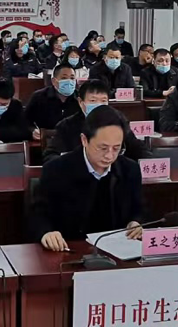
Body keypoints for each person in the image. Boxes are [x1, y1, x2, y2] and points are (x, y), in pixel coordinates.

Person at [31, 106, 144, 251]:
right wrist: (46, 233)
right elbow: (38, 215)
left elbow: (140, 209)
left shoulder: (130, 169)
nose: (109, 156)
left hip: (119, 252)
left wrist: (136, 222)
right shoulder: (56, 170)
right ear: (84, 140)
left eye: (116, 148)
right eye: (103, 148)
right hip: (70, 251)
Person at [43, 80, 149, 164]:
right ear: (81, 102)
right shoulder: (66, 125)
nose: (99, 105)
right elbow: (51, 156)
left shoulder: (119, 121)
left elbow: (138, 149)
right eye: (93, 101)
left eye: (103, 101)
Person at [25, 64, 81, 137]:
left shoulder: (80, 98)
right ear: (54, 81)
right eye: (64, 78)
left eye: (72, 78)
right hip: (45, 139)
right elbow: (25, 121)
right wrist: (32, 131)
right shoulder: (39, 97)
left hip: (74, 139)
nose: (69, 81)